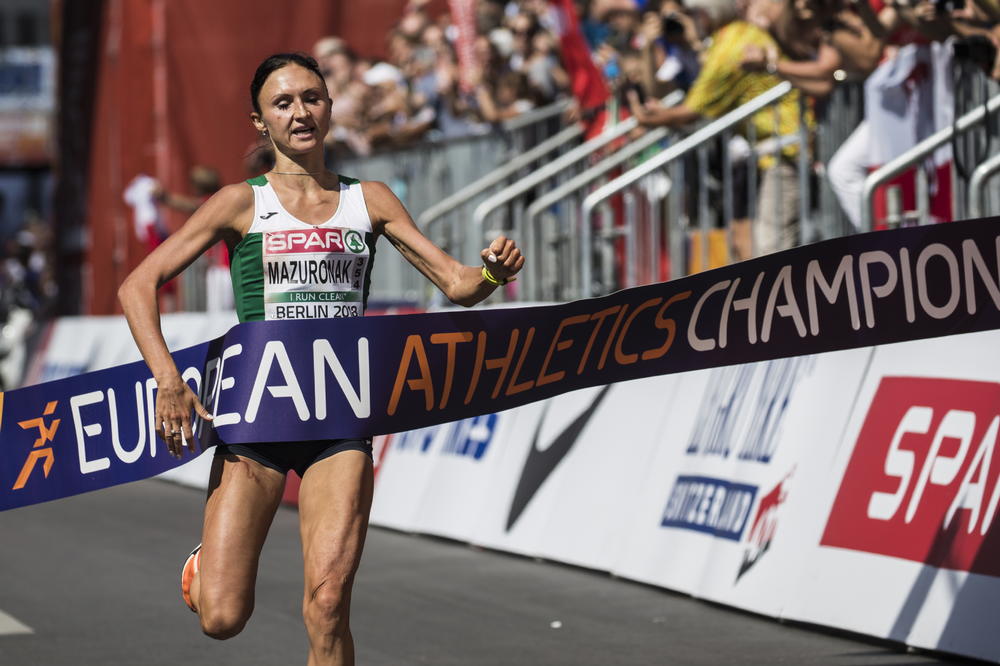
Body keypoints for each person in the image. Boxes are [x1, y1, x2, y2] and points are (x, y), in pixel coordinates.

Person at [117, 52, 524, 666]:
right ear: (261, 122)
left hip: (339, 416)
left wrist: (491, 271)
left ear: (330, 107)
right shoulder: (239, 202)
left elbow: (458, 285)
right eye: (283, 103)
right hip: (256, 418)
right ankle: (205, 565)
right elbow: (136, 286)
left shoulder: (371, 199)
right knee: (223, 618)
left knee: (328, 605)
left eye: (312, 97)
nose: (300, 112)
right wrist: (168, 381)